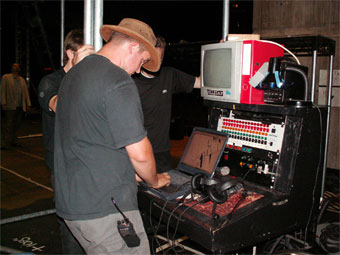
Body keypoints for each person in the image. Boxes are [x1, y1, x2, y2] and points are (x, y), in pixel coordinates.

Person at [53, 18, 171, 254]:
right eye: (143, 61)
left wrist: (128, 173)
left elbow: (89, 140)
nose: (139, 69)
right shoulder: (118, 80)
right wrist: (154, 180)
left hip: (73, 203)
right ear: (133, 47)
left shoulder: (73, 75)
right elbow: (140, 153)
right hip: (105, 209)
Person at [38, 29, 94, 254]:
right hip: (62, 164)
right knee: (70, 223)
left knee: (92, 220)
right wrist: (79, 76)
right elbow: (58, 105)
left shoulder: (90, 79)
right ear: (70, 53)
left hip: (87, 161)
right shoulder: (50, 81)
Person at [133, 35, 200, 173]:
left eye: (161, 57)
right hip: (137, 153)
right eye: (153, 58)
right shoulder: (131, 81)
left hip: (162, 154)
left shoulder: (169, 75)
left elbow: (201, 83)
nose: (157, 62)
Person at [1, 63, 31, 149]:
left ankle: (14, 140)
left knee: (17, 124)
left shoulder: (21, 80)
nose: (16, 67)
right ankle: (5, 142)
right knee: (8, 124)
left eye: (17, 66)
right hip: (11, 105)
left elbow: (25, 93)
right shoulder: (6, 77)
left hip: (20, 105)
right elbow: (2, 90)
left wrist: (28, 104)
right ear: (11, 68)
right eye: (14, 66)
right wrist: (3, 102)